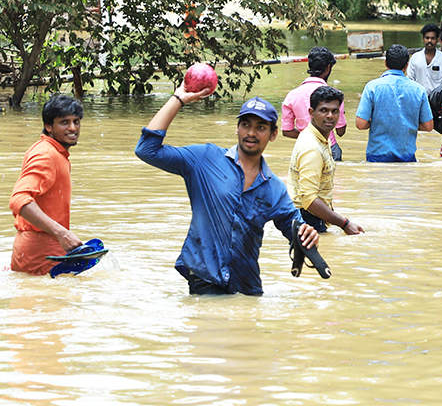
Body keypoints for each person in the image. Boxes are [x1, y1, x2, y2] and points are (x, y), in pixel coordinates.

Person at [135, 88, 322, 295]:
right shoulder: (204, 160)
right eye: (245, 125)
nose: (251, 133)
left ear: (273, 134)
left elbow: (294, 227)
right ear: (237, 128)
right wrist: (178, 99)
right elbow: (146, 149)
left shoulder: (273, 187)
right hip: (205, 278)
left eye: (260, 127)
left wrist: (308, 233)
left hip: (247, 286)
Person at [8, 94, 85, 275]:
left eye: (76, 121)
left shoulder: (54, 152)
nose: (73, 128)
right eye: (64, 122)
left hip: (44, 248)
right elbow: (19, 199)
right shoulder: (46, 154)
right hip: (40, 252)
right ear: (49, 126)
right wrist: (62, 233)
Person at [289, 86, 365, 234]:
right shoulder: (312, 147)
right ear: (311, 113)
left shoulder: (321, 138)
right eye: (324, 110)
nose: (330, 116)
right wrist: (344, 223)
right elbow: (309, 200)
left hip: (309, 218)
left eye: (334, 111)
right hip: (306, 220)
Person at [355, 43, 434, 162]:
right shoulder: (419, 90)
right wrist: (406, 123)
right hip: (407, 157)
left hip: (377, 156)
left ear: (385, 63)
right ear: (406, 66)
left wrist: (380, 122)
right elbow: (428, 126)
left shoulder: (372, 87)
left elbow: (360, 124)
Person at [282, 46, 346, 160]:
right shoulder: (334, 96)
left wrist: (306, 134)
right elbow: (341, 131)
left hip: (304, 147)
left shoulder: (292, 95)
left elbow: (287, 131)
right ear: (328, 68)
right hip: (329, 147)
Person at [406, 23, 442, 92]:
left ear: (437, 40)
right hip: (419, 98)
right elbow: (410, 79)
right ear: (423, 39)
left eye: (432, 38)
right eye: (427, 38)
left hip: (439, 99)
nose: (429, 41)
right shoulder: (415, 58)